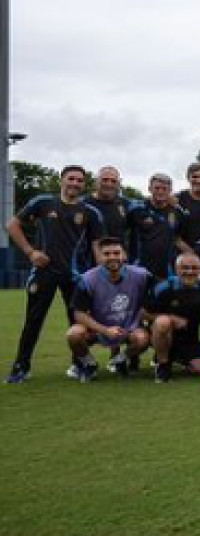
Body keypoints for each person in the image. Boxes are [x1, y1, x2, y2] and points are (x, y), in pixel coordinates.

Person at [6, 164, 103, 383]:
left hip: (75, 276)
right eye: (71, 179)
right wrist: (31, 252)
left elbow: (97, 245)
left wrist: (100, 274)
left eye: (80, 180)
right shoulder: (43, 202)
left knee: (78, 323)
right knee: (33, 320)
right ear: (62, 180)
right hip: (44, 272)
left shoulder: (90, 212)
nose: (75, 183)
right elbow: (12, 225)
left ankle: (80, 365)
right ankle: (21, 367)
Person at [65, 236, 153, 381]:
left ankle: (120, 360)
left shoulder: (142, 275)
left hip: (129, 329)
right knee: (73, 334)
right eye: (106, 254)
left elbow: (157, 298)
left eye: (116, 253)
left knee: (142, 338)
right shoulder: (87, 279)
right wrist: (104, 330)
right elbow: (79, 314)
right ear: (98, 256)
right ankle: (89, 364)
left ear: (124, 255)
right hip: (98, 329)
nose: (112, 257)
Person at [145, 252, 200, 381]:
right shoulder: (164, 287)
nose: (189, 271)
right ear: (176, 269)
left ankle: (181, 359)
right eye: (185, 268)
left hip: (189, 339)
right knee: (163, 322)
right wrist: (171, 318)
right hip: (163, 335)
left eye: (194, 268)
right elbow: (142, 313)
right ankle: (163, 365)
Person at [127, 173, 191, 281]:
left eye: (164, 188)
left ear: (170, 190)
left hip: (167, 270)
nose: (160, 191)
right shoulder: (136, 208)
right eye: (157, 188)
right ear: (149, 189)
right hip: (139, 267)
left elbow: (178, 239)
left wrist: (193, 255)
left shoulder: (178, 212)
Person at [86, 165, 129, 255]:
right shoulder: (84, 204)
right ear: (96, 182)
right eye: (105, 180)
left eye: (113, 181)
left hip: (118, 262)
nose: (109, 184)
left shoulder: (126, 204)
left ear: (119, 184)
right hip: (89, 264)